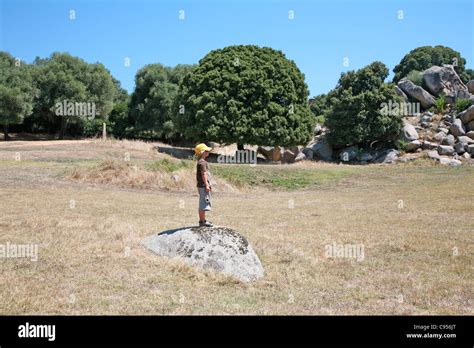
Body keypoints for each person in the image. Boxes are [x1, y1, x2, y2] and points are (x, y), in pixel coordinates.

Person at [195, 143, 213, 227]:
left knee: (203, 203)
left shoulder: (201, 162)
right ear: (202, 152)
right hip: (203, 186)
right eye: (206, 150)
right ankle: (202, 222)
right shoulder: (202, 163)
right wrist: (206, 185)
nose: (208, 151)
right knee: (203, 203)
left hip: (201, 185)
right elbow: (204, 174)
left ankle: (203, 220)